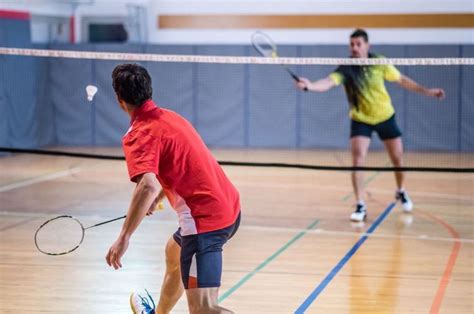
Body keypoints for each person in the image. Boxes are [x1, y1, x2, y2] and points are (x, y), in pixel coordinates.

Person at [106, 63, 240, 314]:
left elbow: (146, 185)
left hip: (205, 222)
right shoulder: (169, 117)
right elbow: (167, 173)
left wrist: (124, 237)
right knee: (174, 254)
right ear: (148, 90)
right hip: (230, 206)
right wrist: (158, 196)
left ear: (119, 99)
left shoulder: (139, 134)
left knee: (203, 310)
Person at [296, 29, 445, 222]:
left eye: (359, 44)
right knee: (358, 161)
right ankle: (360, 204)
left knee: (398, 159)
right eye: (352, 44)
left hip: (385, 116)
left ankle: (400, 190)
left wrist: (427, 91)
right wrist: (310, 86)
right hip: (361, 119)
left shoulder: (379, 62)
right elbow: (327, 82)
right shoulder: (346, 68)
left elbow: (401, 80)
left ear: (367, 45)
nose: (355, 48)